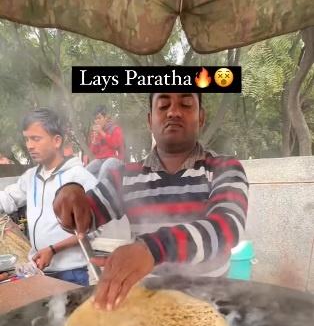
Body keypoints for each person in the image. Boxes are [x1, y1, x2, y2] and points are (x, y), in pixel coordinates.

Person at [54, 93, 249, 307]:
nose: (173, 112)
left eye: (185, 105)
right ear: (150, 120)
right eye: (163, 105)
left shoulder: (225, 168)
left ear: (201, 118)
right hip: (146, 311)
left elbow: (227, 227)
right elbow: (84, 216)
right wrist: (68, 194)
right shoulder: (125, 176)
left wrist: (152, 249)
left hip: (212, 308)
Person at [0, 108, 98, 286]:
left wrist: (53, 250)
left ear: (56, 141)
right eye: (27, 139)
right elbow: (8, 199)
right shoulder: (30, 177)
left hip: (71, 273)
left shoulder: (79, 177)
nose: (29, 145)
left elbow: (93, 228)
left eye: (36, 139)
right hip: (40, 270)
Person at [85, 105, 125, 180]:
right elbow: (94, 152)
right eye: (95, 119)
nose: (97, 121)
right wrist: (94, 140)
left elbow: (115, 145)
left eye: (99, 118)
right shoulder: (97, 132)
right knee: (85, 171)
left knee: (104, 169)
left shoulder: (115, 129)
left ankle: (98, 190)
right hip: (100, 160)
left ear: (106, 118)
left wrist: (102, 133)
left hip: (114, 159)